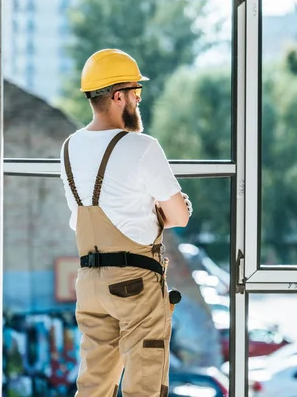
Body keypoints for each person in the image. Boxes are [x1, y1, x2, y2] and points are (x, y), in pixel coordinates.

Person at [59, 48, 192, 397]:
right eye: (136, 91)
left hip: (89, 283)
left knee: (93, 385)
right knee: (143, 385)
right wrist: (160, 211)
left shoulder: (69, 148)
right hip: (134, 283)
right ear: (117, 95)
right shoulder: (142, 146)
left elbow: (79, 222)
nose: (138, 99)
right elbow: (179, 216)